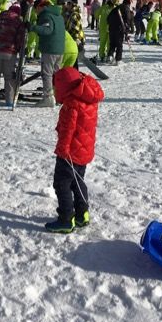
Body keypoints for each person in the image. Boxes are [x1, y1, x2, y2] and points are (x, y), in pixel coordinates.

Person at [44, 66, 106, 233]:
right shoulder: (87, 98)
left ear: (64, 86)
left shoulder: (72, 103)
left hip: (70, 152)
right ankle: (82, 214)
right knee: (78, 181)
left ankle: (65, 219)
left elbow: (68, 130)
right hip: (83, 150)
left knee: (62, 183)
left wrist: (62, 150)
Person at [0, 5, 28, 107]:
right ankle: (9, 102)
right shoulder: (18, 22)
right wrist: (19, 49)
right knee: (9, 77)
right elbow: (20, 37)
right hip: (10, 52)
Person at [33, 0, 67, 108]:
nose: (36, 12)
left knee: (47, 73)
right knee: (57, 74)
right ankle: (57, 96)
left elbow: (47, 30)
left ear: (40, 7)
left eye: (36, 9)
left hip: (49, 49)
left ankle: (48, 98)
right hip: (59, 49)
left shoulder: (46, 15)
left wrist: (32, 27)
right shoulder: (59, 15)